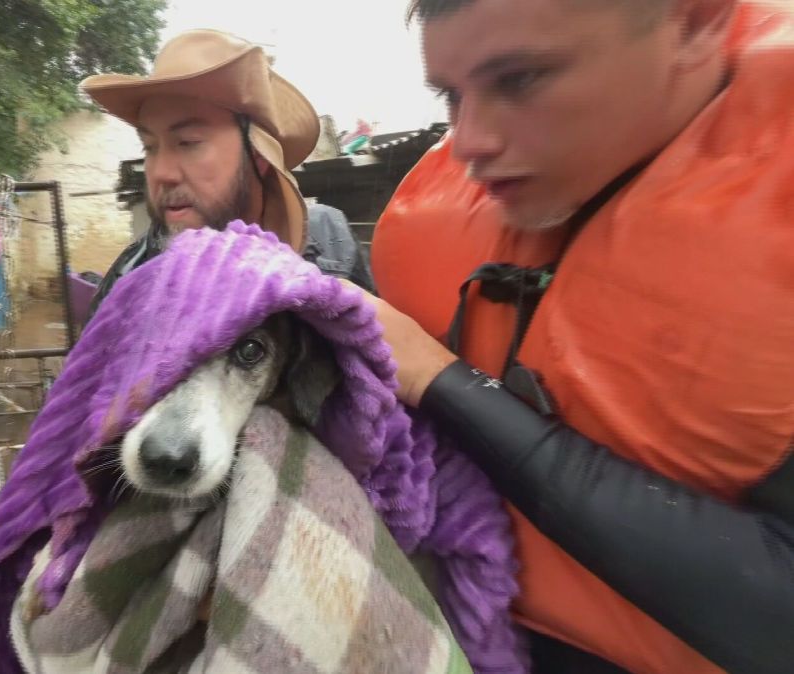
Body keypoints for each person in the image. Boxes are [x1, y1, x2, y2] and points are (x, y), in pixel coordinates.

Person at [350, 1, 794, 673]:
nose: (465, 141)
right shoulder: (453, 213)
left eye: (521, 79)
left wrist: (442, 381)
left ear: (698, 21)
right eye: (450, 94)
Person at [80, 29, 373, 317]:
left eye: (188, 143)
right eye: (150, 147)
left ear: (257, 154)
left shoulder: (330, 241)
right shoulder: (125, 293)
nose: (161, 174)